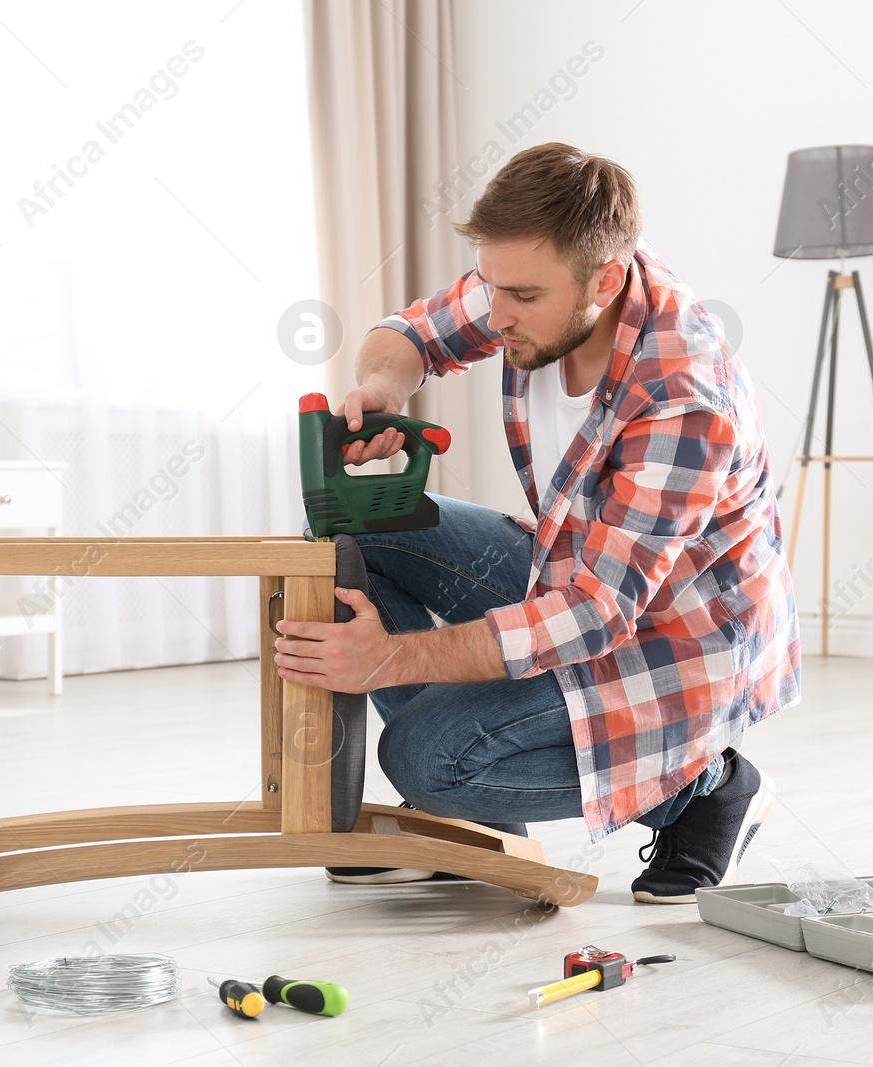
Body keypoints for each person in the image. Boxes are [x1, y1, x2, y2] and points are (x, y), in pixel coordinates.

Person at [270, 142, 802, 903]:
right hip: (573, 570)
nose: (497, 314)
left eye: (519, 295)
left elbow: (596, 614)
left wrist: (387, 660)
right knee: (353, 533)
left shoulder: (683, 397)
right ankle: (479, 823)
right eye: (491, 287)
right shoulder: (541, 277)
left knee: (421, 757)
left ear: (607, 280)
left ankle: (705, 782)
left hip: (680, 645)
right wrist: (383, 383)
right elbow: (412, 332)